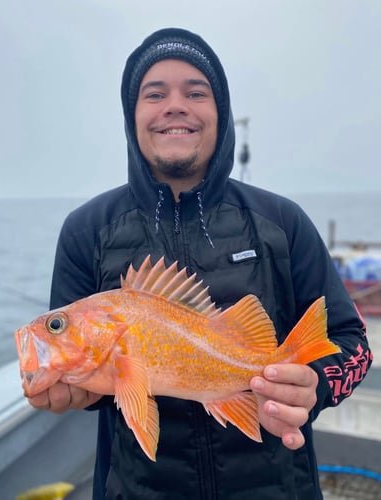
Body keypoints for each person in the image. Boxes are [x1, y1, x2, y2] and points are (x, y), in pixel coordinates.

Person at [28, 28, 372, 499]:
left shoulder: (282, 221)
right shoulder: (86, 231)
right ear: (133, 116)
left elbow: (354, 346)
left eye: (195, 92)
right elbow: (93, 384)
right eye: (155, 93)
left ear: (220, 113)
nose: (175, 105)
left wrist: (315, 387)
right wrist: (76, 390)